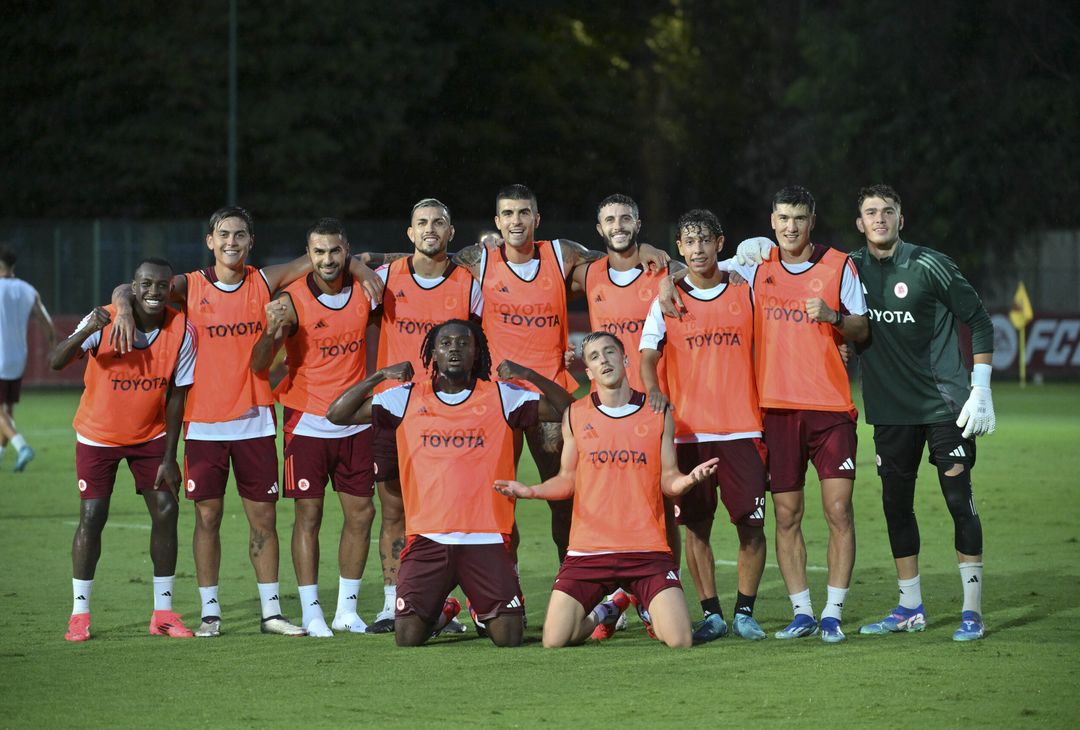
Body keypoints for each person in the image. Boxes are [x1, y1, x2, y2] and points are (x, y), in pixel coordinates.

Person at [110, 206, 379, 637]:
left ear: (250, 242)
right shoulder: (190, 286)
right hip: (203, 424)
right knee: (207, 520)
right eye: (224, 235)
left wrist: (362, 268)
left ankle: (272, 612)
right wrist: (123, 306)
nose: (231, 242)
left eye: (239, 235)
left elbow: (322, 258)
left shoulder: (264, 280)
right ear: (210, 241)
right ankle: (210, 612)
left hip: (256, 422)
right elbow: (138, 286)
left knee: (264, 522)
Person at [663, 186, 869, 643]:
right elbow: (695, 266)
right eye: (782, 218)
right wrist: (663, 281)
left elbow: (862, 326)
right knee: (786, 514)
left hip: (831, 408)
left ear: (811, 220)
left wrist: (833, 317)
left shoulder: (840, 265)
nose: (790, 226)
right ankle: (801, 612)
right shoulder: (756, 269)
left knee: (839, 510)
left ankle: (833, 613)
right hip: (774, 410)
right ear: (771, 222)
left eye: (799, 218)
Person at [451, 184, 669, 563]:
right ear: (497, 221)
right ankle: (507, 585)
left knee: (565, 497)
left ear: (536, 218)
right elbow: (427, 260)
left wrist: (647, 250)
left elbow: (617, 257)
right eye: (508, 213)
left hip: (550, 397)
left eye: (523, 213)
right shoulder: (478, 259)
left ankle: (571, 579)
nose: (515, 221)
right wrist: (358, 262)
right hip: (496, 397)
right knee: (495, 497)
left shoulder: (561, 254)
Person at [326, 319, 574, 647]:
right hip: (428, 538)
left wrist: (528, 376)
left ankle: (480, 605)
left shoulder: (503, 396)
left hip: (486, 538)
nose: (453, 349)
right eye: (445, 344)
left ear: (477, 353)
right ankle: (442, 609)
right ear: (432, 354)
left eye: (463, 343)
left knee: (509, 639)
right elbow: (337, 414)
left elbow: (569, 409)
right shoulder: (406, 397)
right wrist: (378, 377)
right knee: (408, 638)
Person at [495, 331, 721, 648]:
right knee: (554, 639)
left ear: (625, 359)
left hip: (646, 549)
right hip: (590, 549)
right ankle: (608, 608)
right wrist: (530, 491)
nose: (605, 360)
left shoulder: (658, 412)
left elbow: (668, 479)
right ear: (588, 372)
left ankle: (641, 599)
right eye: (595, 357)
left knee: (680, 640)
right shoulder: (575, 414)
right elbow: (567, 480)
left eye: (610, 353)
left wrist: (689, 480)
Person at [846, 185, 995, 641]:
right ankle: (910, 606)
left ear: (900, 219)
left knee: (957, 500)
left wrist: (981, 389)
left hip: (944, 406)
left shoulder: (931, 264)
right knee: (895, 505)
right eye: (870, 212)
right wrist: (753, 256)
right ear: (860, 222)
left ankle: (972, 611)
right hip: (889, 412)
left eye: (887, 211)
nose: (879, 219)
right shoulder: (848, 270)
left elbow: (980, 320)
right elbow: (799, 272)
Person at [640, 210, 769, 644]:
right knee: (696, 527)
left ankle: (746, 612)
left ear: (719, 243)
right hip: (689, 433)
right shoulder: (667, 300)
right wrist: (652, 393)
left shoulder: (745, 287)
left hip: (743, 430)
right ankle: (712, 614)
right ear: (679, 248)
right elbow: (645, 355)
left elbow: (769, 254)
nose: (697, 250)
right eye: (688, 243)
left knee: (750, 526)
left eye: (704, 241)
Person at [51, 259, 196, 641]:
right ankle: (79, 614)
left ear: (170, 289)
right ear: (132, 286)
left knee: (166, 509)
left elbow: (177, 397)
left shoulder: (183, 329)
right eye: (146, 284)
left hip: (149, 436)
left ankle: (163, 613)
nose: (153, 291)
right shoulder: (106, 318)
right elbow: (56, 360)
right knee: (93, 514)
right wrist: (89, 327)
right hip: (98, 436)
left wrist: (169, 458)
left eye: (161, 285)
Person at [249, 218, 379, 637]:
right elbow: (259, 365)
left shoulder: (364, 291)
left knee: (361, 513)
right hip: (306, 422)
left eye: (335, 251)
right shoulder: (290, 299)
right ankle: (311, 611)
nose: (327, 260)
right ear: (310, 254)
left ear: (347, 251)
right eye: (319, 252)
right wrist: (272, 331)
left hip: (356, 421)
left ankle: (347, 610)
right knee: (309, 514)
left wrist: (363, 267)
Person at [364, 198, 482, 634]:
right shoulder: (385, 279)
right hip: (396, 410)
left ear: (451, 233)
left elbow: (481, 346)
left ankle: (448, 603)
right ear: (409, 234)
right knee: (393, 509)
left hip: (452, 416)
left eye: (439, 223)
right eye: (421, 223)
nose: (430, 229)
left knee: (450, 509)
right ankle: (393, 603)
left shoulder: (469, 283)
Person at [569, 193, 683, 637]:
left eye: (625, 218)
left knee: (660, 506)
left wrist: (666, 262)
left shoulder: (662, 271)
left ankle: (656, 598)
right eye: (609, 219)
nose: (618, 225)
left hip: (652, 408)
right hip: (603, 409)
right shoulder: (588, 271)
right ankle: (610, 599)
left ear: (639, 222)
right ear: (599, 229)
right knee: (601, 506)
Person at [0, 246, 57, 472]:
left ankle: (22, 446)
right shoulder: (28, 290)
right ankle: (2, 452)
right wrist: (53, 350)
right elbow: (47, 324)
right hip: (18, 358)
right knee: (7, 409)